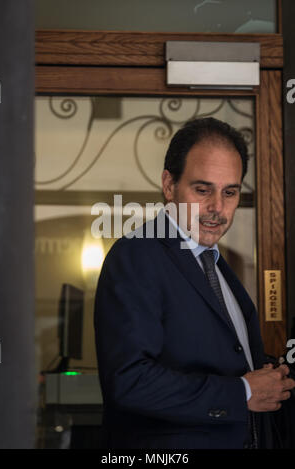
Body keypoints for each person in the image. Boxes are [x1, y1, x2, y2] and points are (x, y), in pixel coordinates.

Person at [94, 117, 295, 449]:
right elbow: (130, 381)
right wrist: (242, 392)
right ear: (169, 185)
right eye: (203, 190)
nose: (217, 208)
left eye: (230, 192)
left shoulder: (215, 264)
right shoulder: (136, 255)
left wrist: (270, 375)